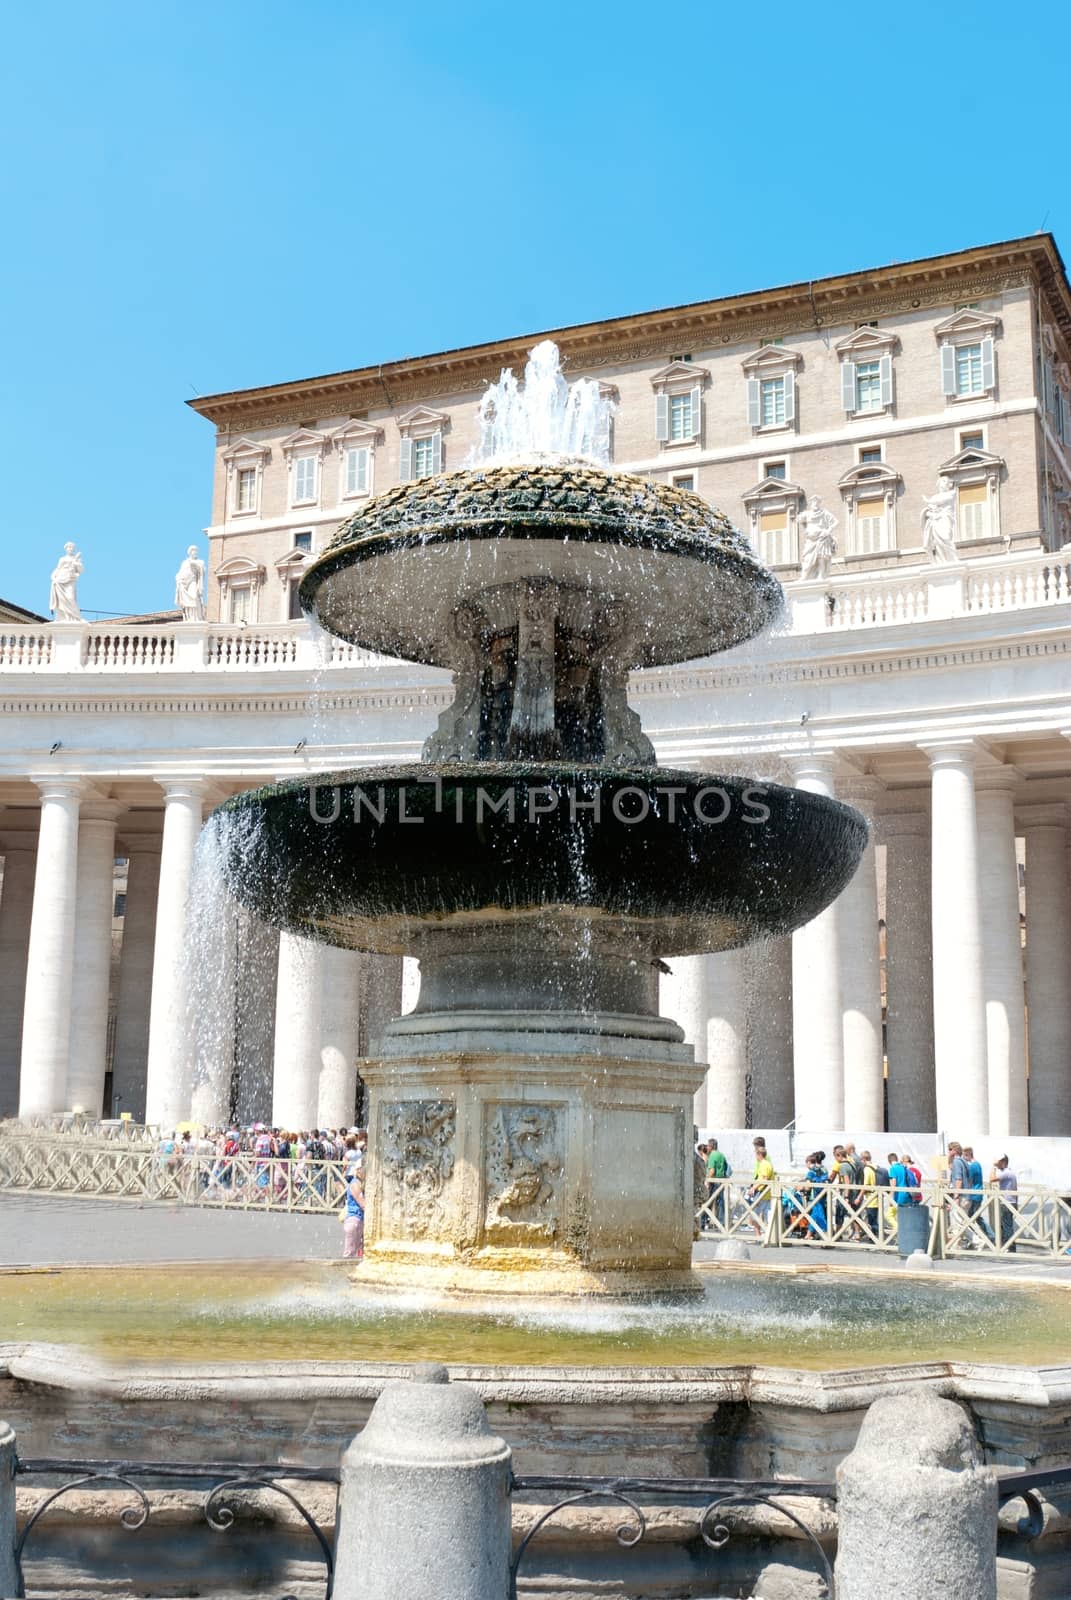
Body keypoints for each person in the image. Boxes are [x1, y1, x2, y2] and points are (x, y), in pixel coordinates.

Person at [747, 1137, 775, 1238]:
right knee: (766, 1213)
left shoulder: (764, 1163)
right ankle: (767, 1234)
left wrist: (753, 1187)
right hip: (766, 1191)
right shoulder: (767, 1162)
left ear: (759, 1154)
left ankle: (758, 1235)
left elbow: (764, 1178)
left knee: (755, 1213)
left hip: (761, 1191)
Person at [990, 1155, 1018, 1251]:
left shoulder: (1006, 1173)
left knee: (1007, 1226)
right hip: (1011, 1201)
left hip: (1007, 1202)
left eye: (998, 1162)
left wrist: (993, 1167)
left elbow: (992, 1179)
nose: (997, 1164)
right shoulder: (1010, 1172)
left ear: (1003, 1162)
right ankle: (1008, 1245)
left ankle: (1010, 1247)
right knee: (1006, 1225)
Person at [705, 1138, 731, 1230]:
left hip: (714, 1181)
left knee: (708, 1202)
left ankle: (703, 1222)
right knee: (720, 1202)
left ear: (711, 1147)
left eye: (708, 1146)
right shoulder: (721, 1155)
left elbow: (712, 1170)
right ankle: (722, 1222)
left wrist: (707, 1181)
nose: (707, 1148)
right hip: (722, 1181)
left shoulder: (712, 1156)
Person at [342, 1165, 365, 1260]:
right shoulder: (355, 1184)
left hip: (359, 1220)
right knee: (349, 1254)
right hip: (354, 1220)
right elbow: (363, 1204)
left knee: (358, 1254)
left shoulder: (361, 1184)